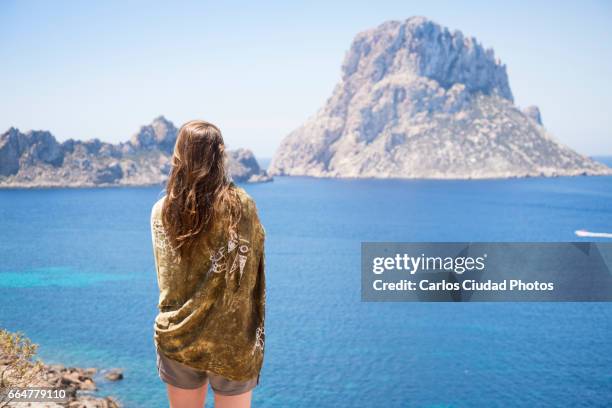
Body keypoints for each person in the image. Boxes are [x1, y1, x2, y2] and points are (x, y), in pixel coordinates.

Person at [150, 120, 266, 408]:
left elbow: (168, 274)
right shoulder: (241, 205)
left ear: (179, 155)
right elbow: (250, 264)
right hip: (231, 337)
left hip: (177, 334)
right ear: (220, 155)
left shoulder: (162, 210)